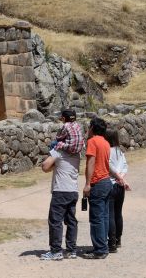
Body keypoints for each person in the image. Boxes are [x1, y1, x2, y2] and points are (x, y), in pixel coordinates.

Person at [39, 111, 84, 261]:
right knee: (71, 220)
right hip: (73, 190)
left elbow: (45, 167)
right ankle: (71, 250)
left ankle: (56, 250)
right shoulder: (77, 152)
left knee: (55, 220)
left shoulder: (59, 149)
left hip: (60, 191)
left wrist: (51, 157)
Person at [83, 116, 112, 259]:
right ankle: (103, 246)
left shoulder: (92, 142)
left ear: (92, 128)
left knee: (96, 218)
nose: (88, 129)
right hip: (107, 181)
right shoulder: (106, 143)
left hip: (98, 182)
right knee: (104, 217)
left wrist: (88, 184)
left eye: (89, 127)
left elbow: (91, 163)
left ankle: (100, 249)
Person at [105, 127, 130, 253]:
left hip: (111, 184)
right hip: (120, 186)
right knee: (118, 213)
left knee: (110, 214)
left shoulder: (107, 151)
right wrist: (122, 178)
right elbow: (125, 167)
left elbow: (108, 167)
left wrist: (117, 177)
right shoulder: (120, 151)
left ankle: (112, 242)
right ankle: (118, 239)